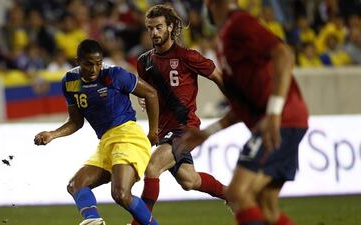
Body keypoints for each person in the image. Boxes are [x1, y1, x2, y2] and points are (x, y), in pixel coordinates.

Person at [178, 1, 309, 225]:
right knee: (266, 205)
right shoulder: (225, 39)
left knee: (238, 193)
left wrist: (274, 113)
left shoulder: (239, 24)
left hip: (281, 120)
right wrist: (208, 132)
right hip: (284, 120)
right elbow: (241, 105)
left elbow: (284, 54)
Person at [34, 39, 160, 225]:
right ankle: (94, 221)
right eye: (89, 64)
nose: (94, 69)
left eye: (98, 63)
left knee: (120, 194)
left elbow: (150, 94)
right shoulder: (71, 82)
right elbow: (76, 121)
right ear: (78, 61)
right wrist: (53, 134)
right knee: (76, 185)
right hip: (106, 142)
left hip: (128, 136)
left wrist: (153, 131)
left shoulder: (114, 75)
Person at [130, 4, 227, 225]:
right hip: (165, 131)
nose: (154, 33)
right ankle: (232, 195)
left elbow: (218, 77)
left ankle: (139, 223)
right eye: (150, 28)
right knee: (188, 180)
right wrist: (142, 97)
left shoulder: (187, 56)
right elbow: (145, 91)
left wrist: (236, 102)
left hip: (186, 127)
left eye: (159, 27)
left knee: (153, 167)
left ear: (171, 27)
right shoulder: (144, 62)